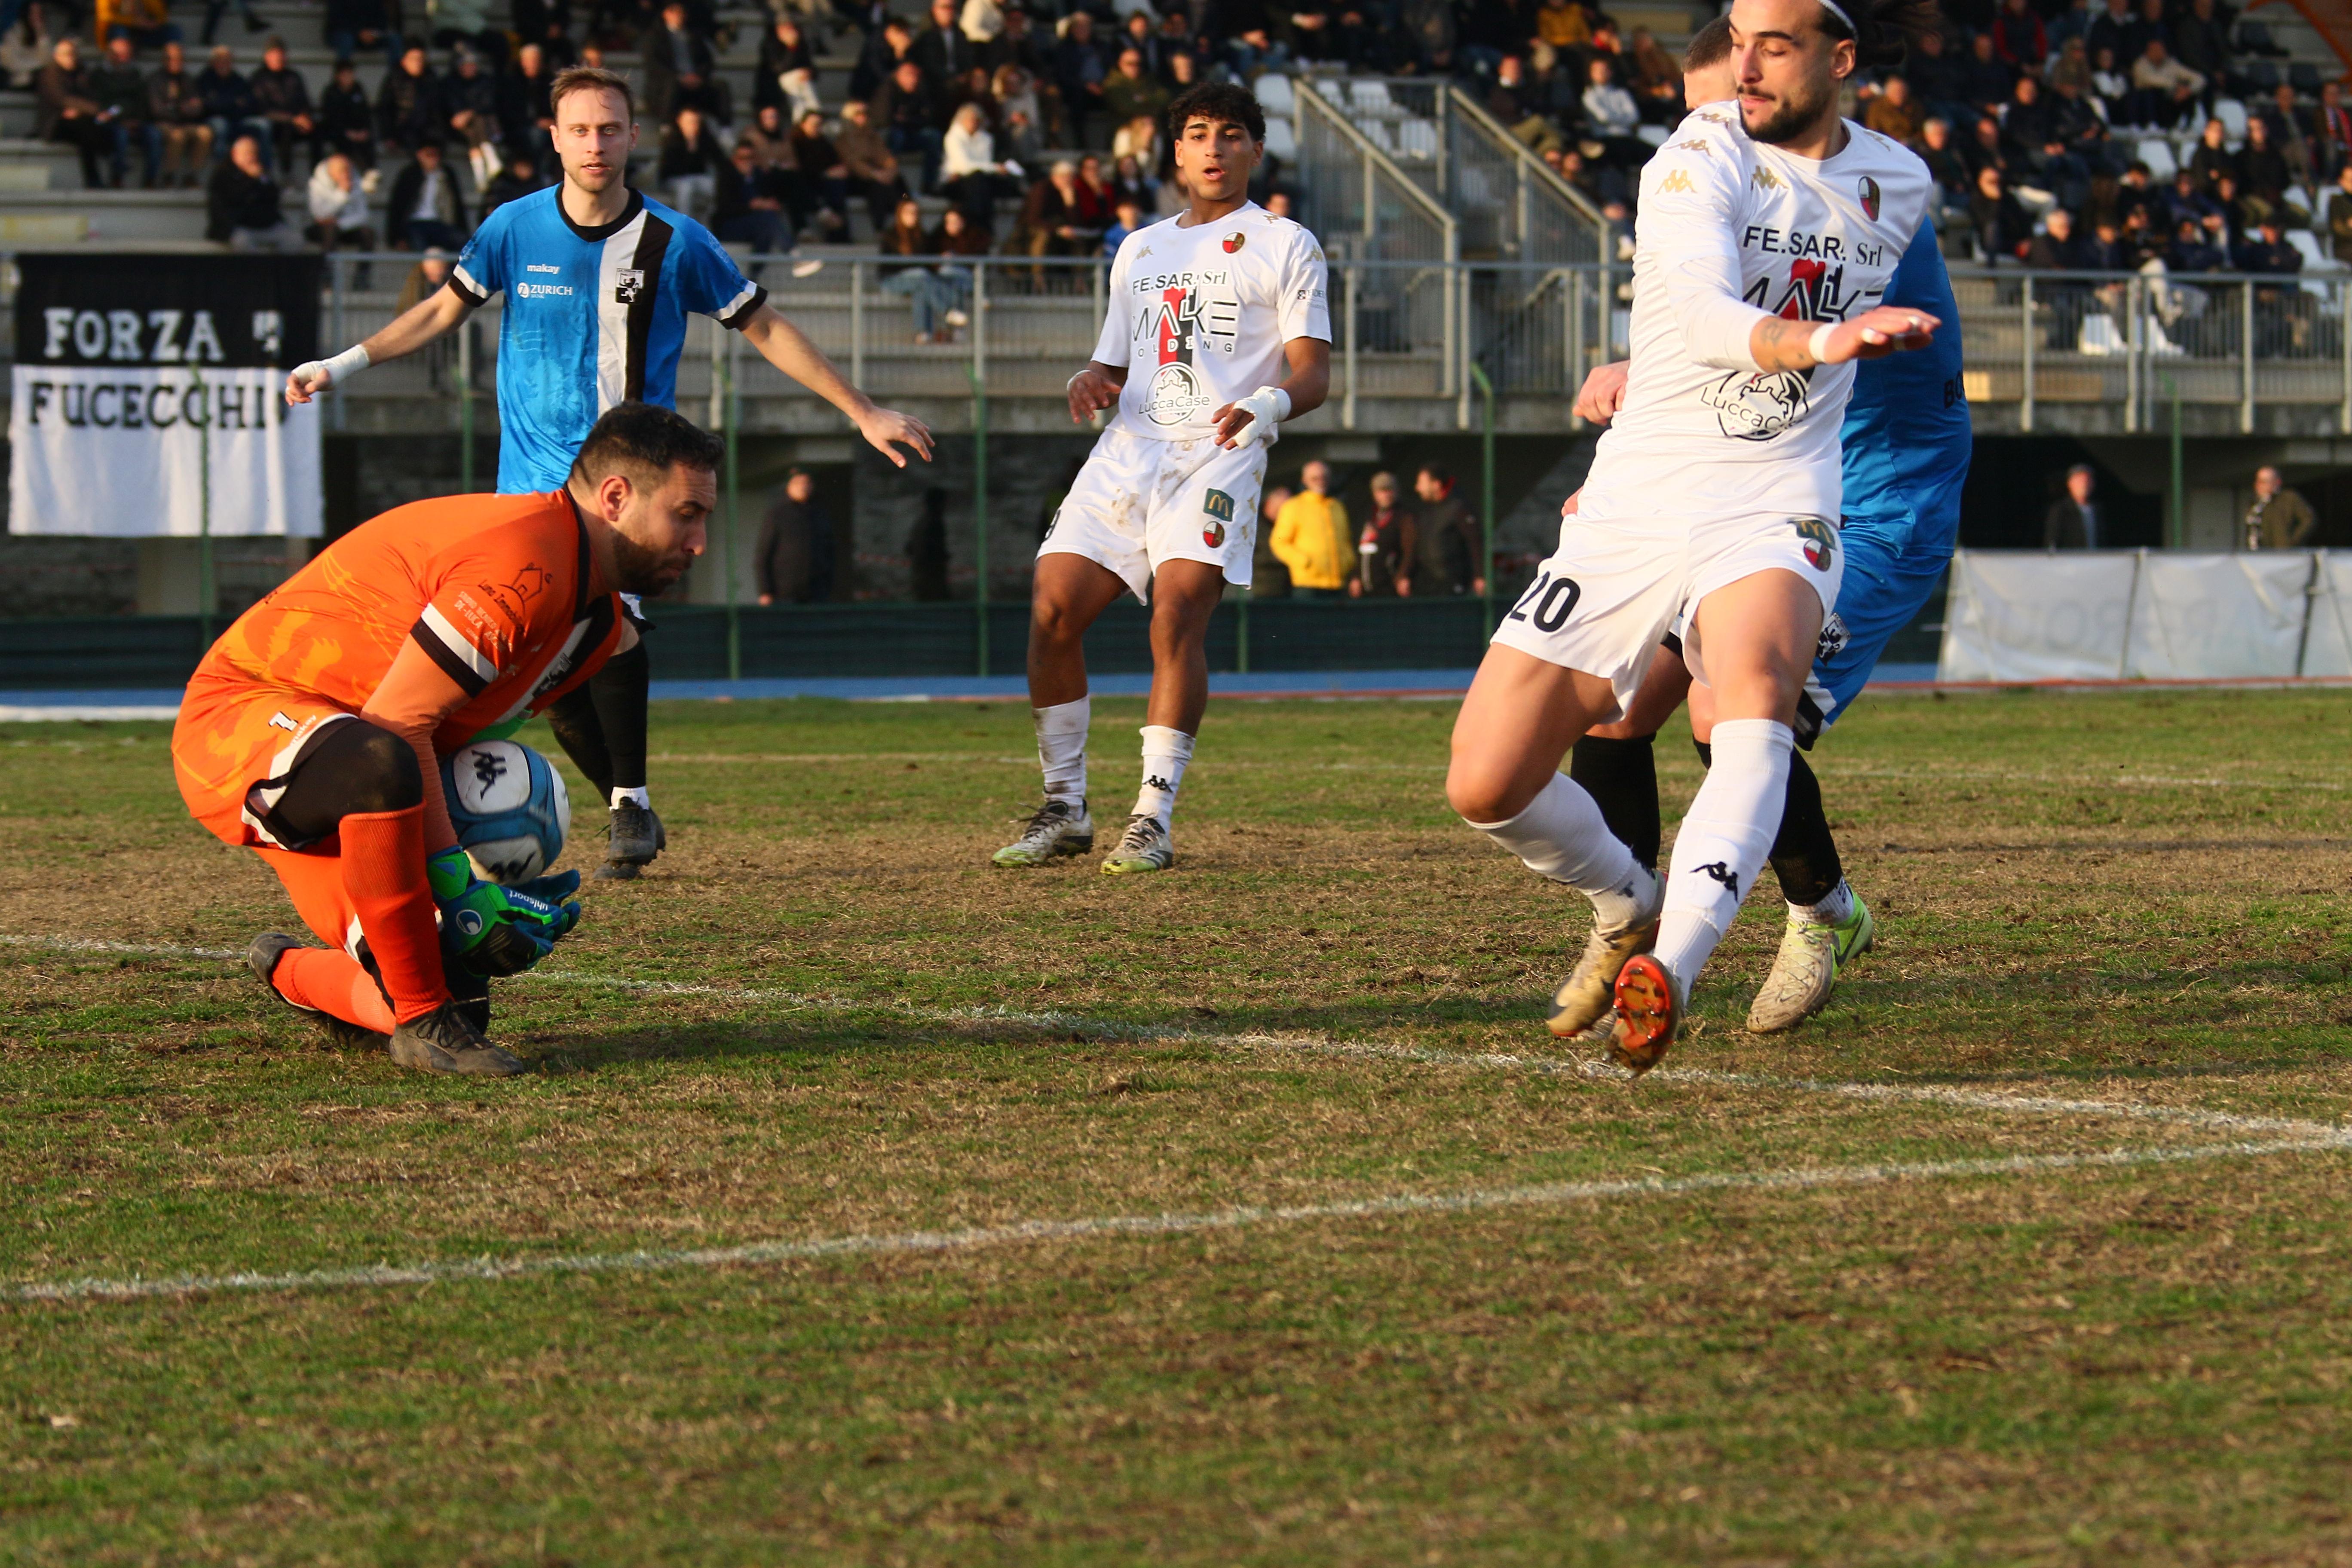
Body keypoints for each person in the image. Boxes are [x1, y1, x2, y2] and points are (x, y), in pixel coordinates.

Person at [1447, 0, 1939, 1073]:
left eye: (1773, 47)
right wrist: (1816, 341)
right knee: (1487, 781)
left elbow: (1909, 369)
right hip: (1641, 497)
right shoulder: (1693, 153)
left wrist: (1834, 360)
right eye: (1736, 46)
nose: (1742, 77)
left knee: (1741, 705)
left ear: (1837, 59)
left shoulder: (1897, 183)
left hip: (1788, 494)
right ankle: (1627, 901)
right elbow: (1708, 313)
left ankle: (1677, 963)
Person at [287, 66, 934, 881]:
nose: (596, 143)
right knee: (551, 677)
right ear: (556, 139)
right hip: (527, 490)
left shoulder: (676, 241)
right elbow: (443, 309)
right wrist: (341, 364)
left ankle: (629, 800)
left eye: (610, 128)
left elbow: (764, 326)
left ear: (633, 136)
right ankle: (626, 803)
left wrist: (861, 409)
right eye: (581, 130)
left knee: (612, 627)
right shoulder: (512, 229)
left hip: (624, 490)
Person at [1560, 14, 1973, 1044]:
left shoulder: (1856, 195)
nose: (1708, 138)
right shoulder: (1716, 182)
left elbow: (1773, 319)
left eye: (1726, 115)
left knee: (1727, 711)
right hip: (1745, 483)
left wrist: (1645, 374)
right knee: (1614, 710)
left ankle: (1822, 913)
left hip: (1873, 503)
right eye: (1699, 117)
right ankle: (1626, 923)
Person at [169, 403, 719, 1078]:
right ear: (615, 498)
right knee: (383, 771)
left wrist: (606, 809)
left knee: (458, 996)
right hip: (244, 720)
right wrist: (460, 887)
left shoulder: (596, 626)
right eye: (687, 514)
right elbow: (397, 725)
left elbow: (462, 734)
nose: (699, 542)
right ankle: (424, 1022)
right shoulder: (524, 562)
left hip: (356, 762)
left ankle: (294, 972)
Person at [992, 81, 1329, 875]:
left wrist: (1267, 404)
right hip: (1128, 449)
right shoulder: (1140, 248)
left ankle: (1151, 817)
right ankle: (1065, 807)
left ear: (1255, 150)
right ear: (1176, 151)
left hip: (1219, 450)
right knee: (1051, 608)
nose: (1215, 148)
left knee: (1176, 617)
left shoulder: (1286, 242)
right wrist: (1091, 377)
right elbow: (1113, 362)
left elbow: (1313, 374)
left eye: (1232, 134)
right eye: (1199, 133)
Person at [37, 37, 112, 189]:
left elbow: (89, 95)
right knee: (88, 131)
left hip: (80, 121)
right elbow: (62, 99)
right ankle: (95, 176)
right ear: (56, 56)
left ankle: (99, 174)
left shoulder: (81, 73)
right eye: (66, 54)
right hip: (55, 123)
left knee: (92, 129)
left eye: (73, 54)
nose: (70, 58)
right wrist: (94, 110)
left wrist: (83, 111)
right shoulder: (50, 74)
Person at [1270, 460, 1350, 597]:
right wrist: (1303, 561)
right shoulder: (1293, 506)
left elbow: (1346, 540)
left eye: (1324, 478)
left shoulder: (1337, 507)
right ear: (1305, 480)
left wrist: (1348, 562)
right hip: (1308, 584)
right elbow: (1279, 542)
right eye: (1315, 478)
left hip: (1337, 583)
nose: (1320, 482)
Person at [207, 131, 300, 248]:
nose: (251, 157)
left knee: (294, 240)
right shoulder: (223, 174)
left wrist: (261, 179)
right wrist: (251, 180)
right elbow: (233, 199)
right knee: (242, 243)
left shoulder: (262, 174)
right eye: (247, 153)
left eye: (254, 153)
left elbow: (274, 197)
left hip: (267, 225)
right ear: (235, 154)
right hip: (239, 226)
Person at [756, 468, 836, 603]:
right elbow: (763, 555)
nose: (803, 487)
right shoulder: (778, 514)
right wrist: (765, 591)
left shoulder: (820, 513)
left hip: (816, 592)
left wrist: (828, 586)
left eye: (806, 483)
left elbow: (830, 552)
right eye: (798, 483)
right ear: (789, 486)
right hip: (784, 593)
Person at [1409, 464, 1482, 595]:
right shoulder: (1426, 511)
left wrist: (1479, 575)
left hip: (1452, 583)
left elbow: (1475, 542)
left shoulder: (1458, 508)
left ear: (1436, 484)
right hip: (1428, 583)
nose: (1418, 488)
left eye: (1421, 483)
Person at [387, 140, 468, 249]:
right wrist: (397, 237)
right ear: (419, 155)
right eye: (429, 155)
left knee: (462, 242)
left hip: (441, 223)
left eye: (436, 155)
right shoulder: (409, 175)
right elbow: (398, 206)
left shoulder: (447, 175)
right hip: (415, 223)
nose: (433, 159)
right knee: (419, 244)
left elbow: (457, 206)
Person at [1349, 471, 1415, 597]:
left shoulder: (1403, 517)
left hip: (1389, 587)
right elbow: (1357, 549)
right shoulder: (1367, 517)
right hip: (1364, 590)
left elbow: (1410, 550)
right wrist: (1355, 576)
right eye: (1382, 491)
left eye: (1390, 490)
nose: (1386, 495)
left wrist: (1403, 576)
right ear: (1375, 493)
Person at [307, 149, 376, 251]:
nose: (346, 174)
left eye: (347, 169)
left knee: (368, 233)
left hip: (346, 226)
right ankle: (327, 261)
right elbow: (320, 215)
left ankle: (364, 263)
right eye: (341, 170)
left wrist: (340, 224)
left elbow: (363, 215)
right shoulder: (316, 185)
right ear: (331, 170)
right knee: (329, 230)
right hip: (321, 229)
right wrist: (343, 194)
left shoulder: (356, 183)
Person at [2244, 465, 2318, 550]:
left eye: (2264, 482)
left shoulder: (2288, 499)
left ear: (2277, 482)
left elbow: (2308, 519)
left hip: (2282, 552)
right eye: (2258, 481)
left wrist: (2292, 542)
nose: (2259, 485)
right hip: (2258, 553)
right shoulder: (2255, 504)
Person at [2043, 462, 2101, 548]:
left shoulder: (2097, 510)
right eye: (2080, 481)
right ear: (2070, 483)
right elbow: (2052, 541)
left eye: (2088, 481)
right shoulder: (2060, 510)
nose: (2084, 485)